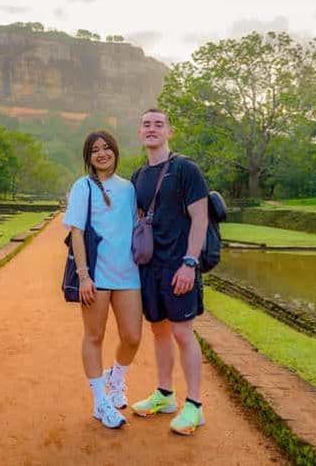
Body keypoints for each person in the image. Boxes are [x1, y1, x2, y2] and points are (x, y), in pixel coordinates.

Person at [129, 108, 209, 435]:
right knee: (159, 331)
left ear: (169, 132)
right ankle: (165, 394)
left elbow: (200, 218)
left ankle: (195, 405)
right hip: (150, 267)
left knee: (182, 333)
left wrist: (190, 262)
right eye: (146, 124)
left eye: (158, 124)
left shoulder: (185, 169)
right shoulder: (138, 176)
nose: (152, 129)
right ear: (140, 132)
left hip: (179, 266)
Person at [63, 130, 142, 429]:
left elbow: (135, 226)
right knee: (94, 336)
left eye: (106, 148)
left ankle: (116, 377)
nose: (102, 153)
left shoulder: (128, 188)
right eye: (95, 150)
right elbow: (77, 232)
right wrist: (84, 276)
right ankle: (100, 401)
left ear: (115, 151)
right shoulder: (83, 186)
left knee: (132, 337)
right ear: (89, 157)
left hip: (128, 274)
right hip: (96, 275)